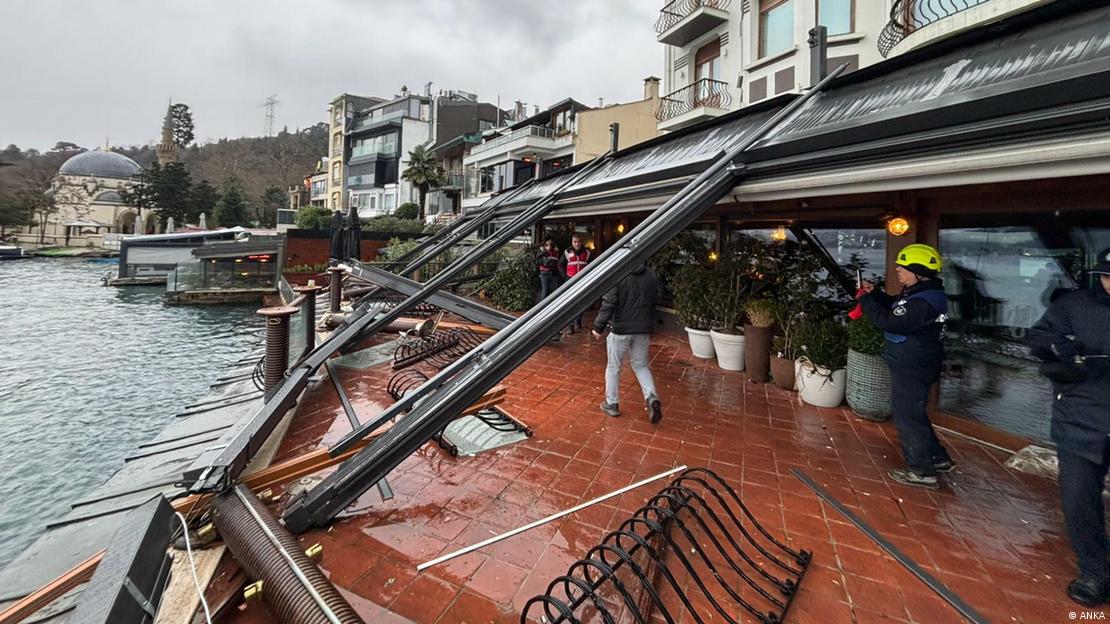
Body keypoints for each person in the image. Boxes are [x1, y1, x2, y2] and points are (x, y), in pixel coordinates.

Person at [1027, 247, 1110, 607]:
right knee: (1079, 500)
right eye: (1108, 277)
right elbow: (1036, 339)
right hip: (1079, 418)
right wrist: (1058, 348)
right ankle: (1094, 571)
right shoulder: (1074, 305)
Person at [859, 243, 953, 490]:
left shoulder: (923, 302)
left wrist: (867, 300)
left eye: (903, 267)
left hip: (913, 366)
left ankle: (922, 471)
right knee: (914, 412)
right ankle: (937, 457)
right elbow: (896, 307)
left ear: (918, 271)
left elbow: (888, 320)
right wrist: (876, 293)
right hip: (917, 362)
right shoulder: (921, 294)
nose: (898, 270)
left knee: (906, 416)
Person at [591, 263, 663, 423]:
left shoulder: (618, 275)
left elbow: (609, 302)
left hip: (621, 329)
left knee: (613, 366)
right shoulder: (651, 274)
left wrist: (598, 326)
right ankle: (651, 396)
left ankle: (612, 403)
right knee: (641, 365)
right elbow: (657, 297)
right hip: (643, 328)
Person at [560, 234, 591, 333]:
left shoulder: (587, 253)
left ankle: (578, 321)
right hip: (570, 280)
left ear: (582, 242)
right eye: (575, 242)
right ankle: (570, 325)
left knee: (581, 302)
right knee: (570, 303)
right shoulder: (567, 253)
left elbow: (592, 266)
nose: (577, 244)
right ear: (572, 242)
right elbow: (560, 264)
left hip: (583, 281)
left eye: (579, 242)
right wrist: (565, 277)